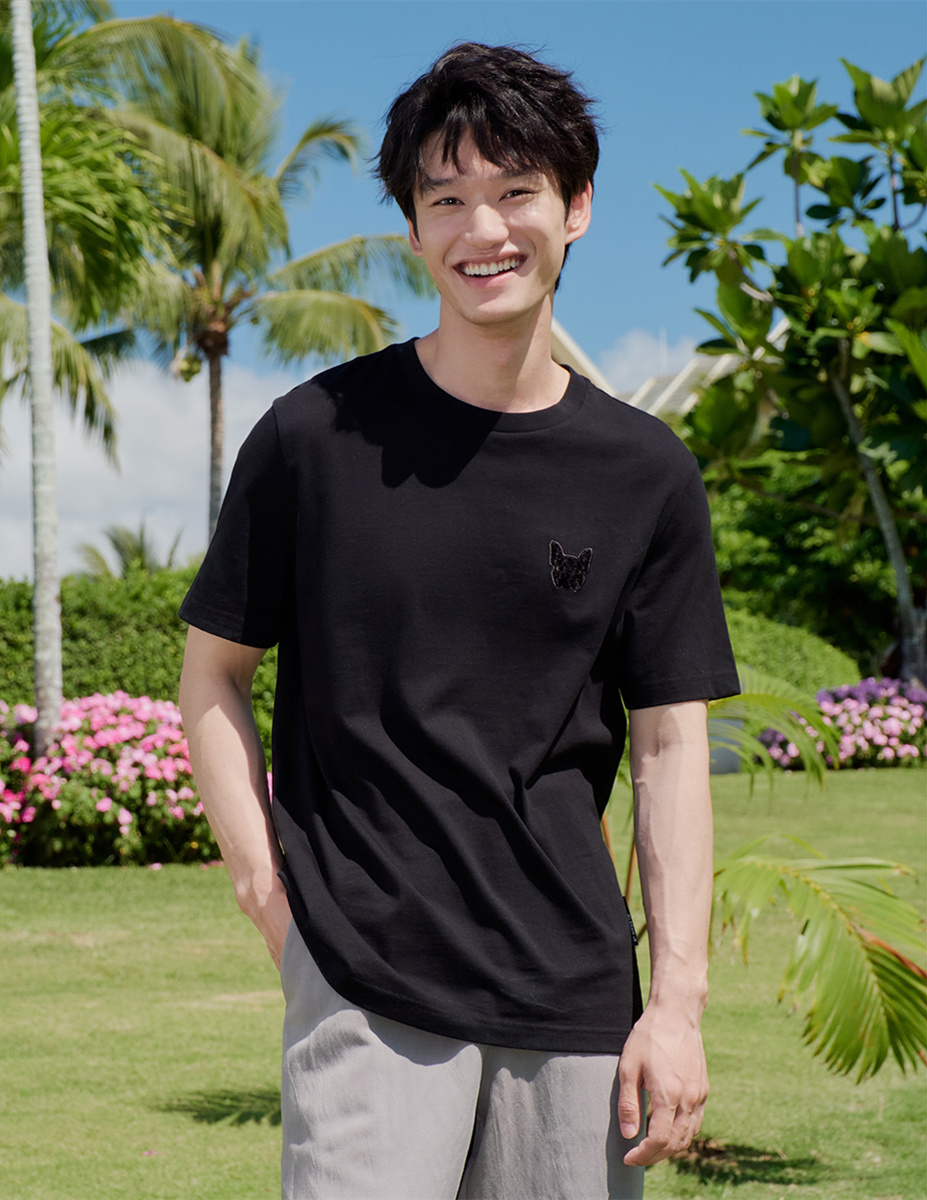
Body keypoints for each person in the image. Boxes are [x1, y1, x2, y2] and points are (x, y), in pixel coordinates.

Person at [178, 42, 740, 1200]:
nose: (482, 229)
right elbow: (212, 676)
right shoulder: (312, 438)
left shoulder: (644, 470)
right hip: (365, 977)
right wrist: (269, 899)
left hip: (577, 996)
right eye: (446, 200)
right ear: (412, 229)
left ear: (576, 207)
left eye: (515, 191)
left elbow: (668, 744)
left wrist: (676, 1004)